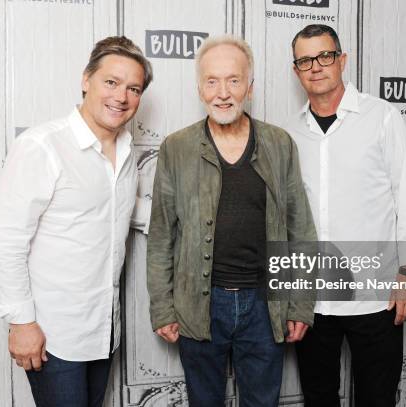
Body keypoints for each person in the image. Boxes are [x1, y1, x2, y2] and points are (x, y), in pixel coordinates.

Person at [146, 35, 317, 407]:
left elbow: (300, 229)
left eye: (234, 80)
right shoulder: (176, 148)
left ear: (250, 88)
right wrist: (162, 307)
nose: (223, 93)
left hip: (265, 305)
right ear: (200, 88)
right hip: (198, 305)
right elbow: (161, 235)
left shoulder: (279, 144)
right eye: (212, 81)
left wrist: (301, 303)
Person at [0, 36, 153, 407]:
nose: (121, 97)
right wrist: (22, 323)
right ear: (85, 80)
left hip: (103, 330)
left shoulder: (125, 150)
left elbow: (119, 210)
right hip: (52, 335)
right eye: (111, 82)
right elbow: (7, 239)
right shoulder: (42, 145)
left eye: (133, 88)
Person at [285, 24, 406, 407]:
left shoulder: (381, 116)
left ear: (342, 60)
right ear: (297, 70)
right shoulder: (289, 133)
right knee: (318, 398)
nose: (315, 66)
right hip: (313, 299)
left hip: (377, 296)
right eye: (305, 60)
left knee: (378, 398)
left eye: (325, 56)